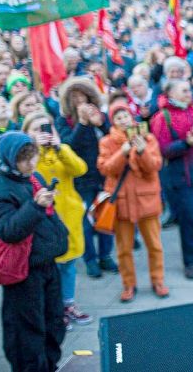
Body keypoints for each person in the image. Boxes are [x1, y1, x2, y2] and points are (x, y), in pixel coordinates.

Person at [0, 132, 68, 372]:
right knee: (26, 331)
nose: (31, 164)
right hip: (21, 271)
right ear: (10, 159)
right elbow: (9, 231)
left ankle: (49, 365)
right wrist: (35, 205)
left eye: (33, 156)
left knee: (53, 322)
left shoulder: (32, 178)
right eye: (24, 159)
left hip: (46, 263)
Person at [21, 112, 91, 330]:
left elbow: (80, 169)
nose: (43, 133)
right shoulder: (26, 157)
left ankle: (68, 304)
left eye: (47, 128)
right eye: (37, 129)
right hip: (43, 219)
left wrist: (59, 148)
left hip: (68, 215)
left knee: (69, 264)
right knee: (49, 268)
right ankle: (53, 310)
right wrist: (36, 148)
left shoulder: (63, 150)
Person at [97, 102, 169, 303]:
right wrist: (123, 152)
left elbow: (155, 165)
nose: (123, 120)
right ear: (113, 121)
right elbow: (106, 169)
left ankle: (158, 280)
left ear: (132, 117)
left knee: (154, 245)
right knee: (124, 248)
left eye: (125, 116)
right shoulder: (106, 142)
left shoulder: (148, 137)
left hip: (146, 200)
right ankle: (128, 284)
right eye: (118, 118)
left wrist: (142, 151)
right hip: (121, 202)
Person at [150, 79, 193, 280]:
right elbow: (163, 149)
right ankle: (190, 261)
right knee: (190, 216)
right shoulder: (162, 117)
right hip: (183, 176)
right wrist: (186, 144)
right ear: (171, 94)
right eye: (184, 90)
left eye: (189, 90)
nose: (190, 93)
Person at [56, 77, 116, 278]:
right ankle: (90, 259)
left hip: (103, 175)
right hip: (81, 180)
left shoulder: (101, 115)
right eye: (74, 97)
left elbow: (113, 139)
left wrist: (100, 124)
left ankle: (105, 255)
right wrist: (82, 124)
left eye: (83, 95)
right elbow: (68, 147)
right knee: (86, 222)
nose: (80, 101)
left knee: (106, 216)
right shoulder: (64, 121)